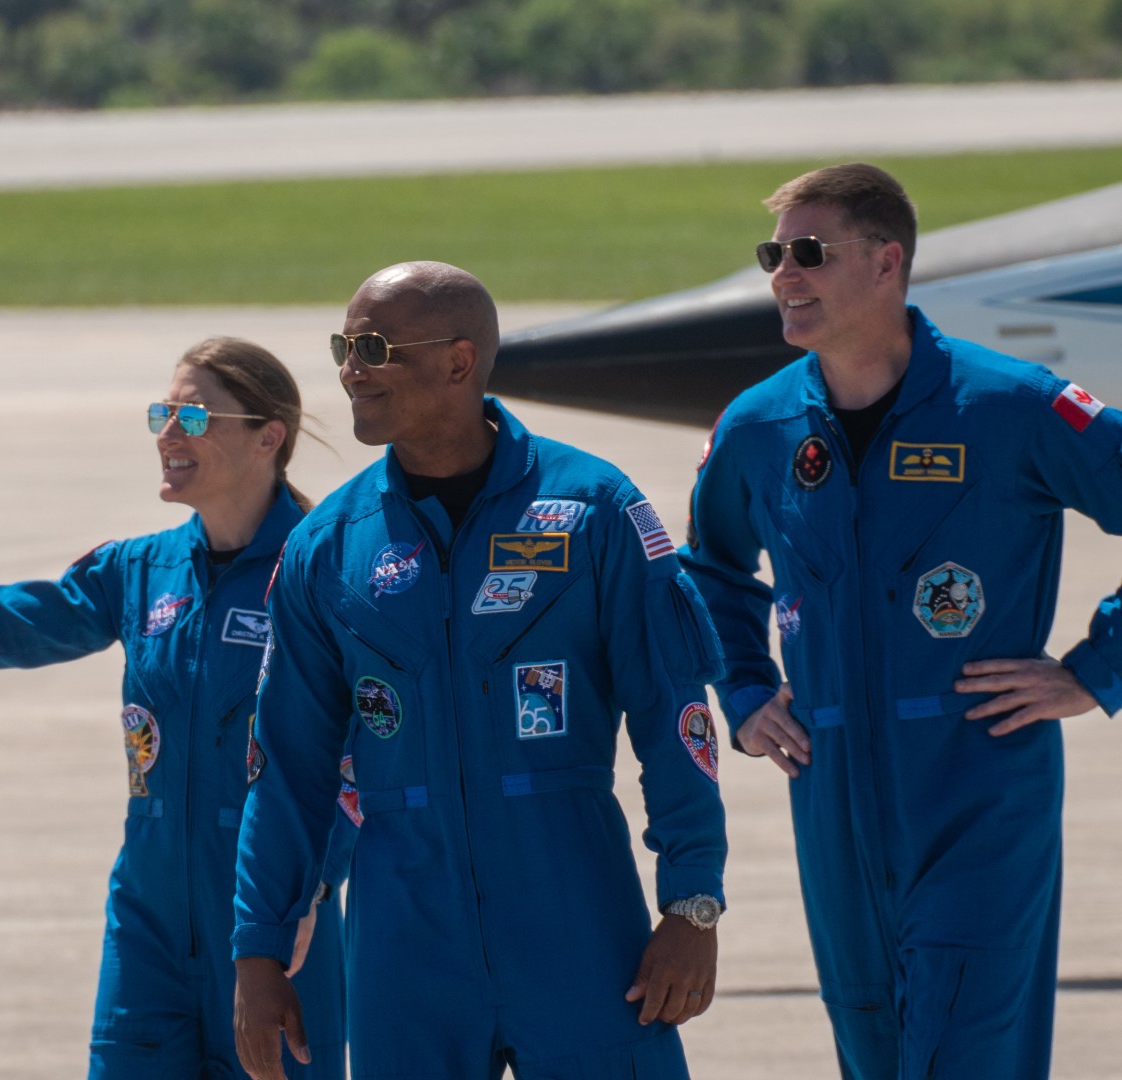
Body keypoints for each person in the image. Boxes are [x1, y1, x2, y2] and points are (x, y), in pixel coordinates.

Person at [0, 336, 353, 1078]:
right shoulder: (140, 570)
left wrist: (311, 887)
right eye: (162, 413)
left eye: (194, 416)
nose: (168, 435)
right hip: (147, 928)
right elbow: (9, 623)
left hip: (274, 926)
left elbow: (362, 751)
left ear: (267, 437)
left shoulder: (323, 575)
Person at [232, 262, 728, 1080]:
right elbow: (287, 764)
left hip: (575, 916)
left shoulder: (593, 510)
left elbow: (673, 715)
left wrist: (691, 902)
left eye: (373, 347)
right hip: (405, 932)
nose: (350, 370)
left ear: (460, 362)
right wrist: (257, 949)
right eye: (343, 347)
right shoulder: (328, 545)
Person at [682, 162, 1122, 1079]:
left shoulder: (1011, 406)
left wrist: (1095, 668)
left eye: (809, 252)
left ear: (887, 263)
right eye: (774, 254)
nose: (782, 276)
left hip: (978, 786)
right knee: (873, 1054)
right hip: (831, 792)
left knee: (964, 1054)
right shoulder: (759, 426)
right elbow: (711, 569)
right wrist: (748, 689)